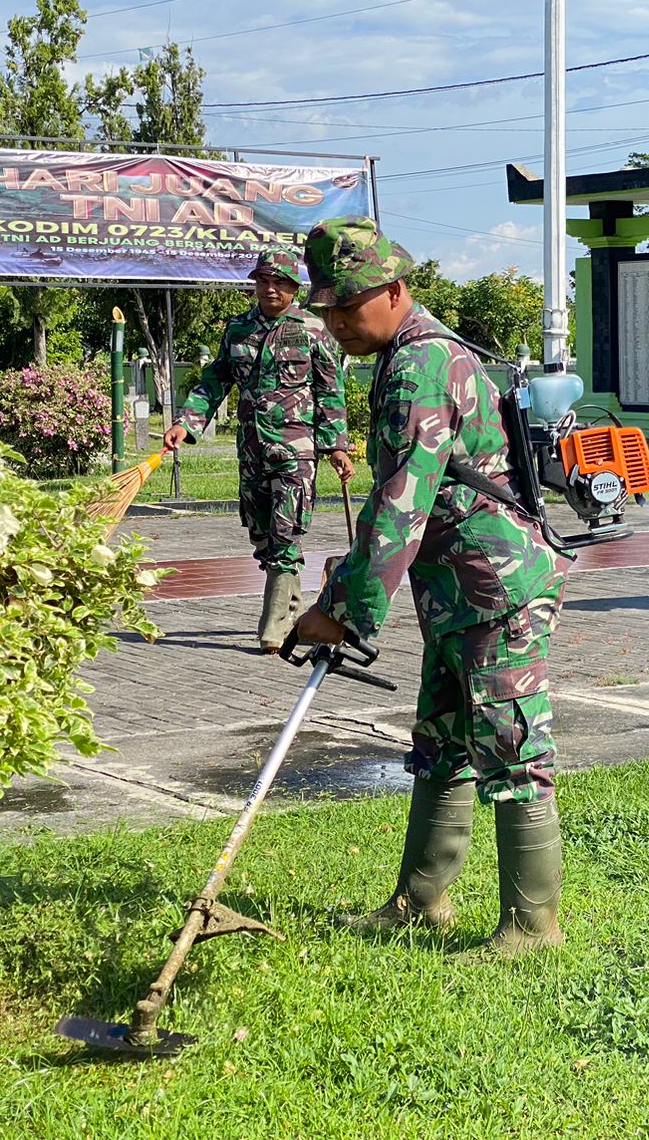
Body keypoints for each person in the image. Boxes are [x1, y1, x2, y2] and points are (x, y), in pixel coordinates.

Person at [292, 217, 569, 955]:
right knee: (442, 741)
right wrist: (346, 580)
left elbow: (400, 503)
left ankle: (532, 928)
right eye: (327, 308)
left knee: (512, 747)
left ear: (394, 289)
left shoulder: (420, 365)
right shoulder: (409, 356)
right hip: (458, 590)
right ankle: (422, 900)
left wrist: (343, 611)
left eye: (349, 304)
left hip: (496, 587)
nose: (337, 322)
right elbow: (399, 497)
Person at [163, 247, 353, 655]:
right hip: (251, 450)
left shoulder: (313, 330)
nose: (270, 289)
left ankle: (272, 629)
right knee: (262, 537)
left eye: (280, 283)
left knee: (287, 533)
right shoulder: (237, 330)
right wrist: (186, 423)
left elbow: (330, 393)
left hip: (295, 451)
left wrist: (336, 446)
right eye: (263, 281)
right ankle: (294, 607)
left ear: (294, 288)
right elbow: (214, 382)